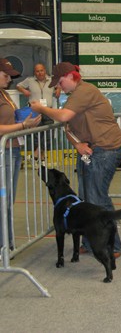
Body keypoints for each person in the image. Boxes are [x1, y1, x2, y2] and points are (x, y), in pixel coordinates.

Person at [30, 62, 121, 258]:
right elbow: (68, 129)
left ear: (70, 76)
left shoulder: (85, 91)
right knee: (86, 199)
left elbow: (64, 117)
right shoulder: (75, 96)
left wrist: (41, 109)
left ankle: (111, 245)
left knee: (97, 198)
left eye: (60, 82)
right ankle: (91, 242)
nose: (59, 87)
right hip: (90, 150)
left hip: (105, 149)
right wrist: (78, 145)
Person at [0, 58, 41, 252]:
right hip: (4, 151)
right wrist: (23, 126)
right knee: (3, 200)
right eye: (5, 75)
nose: (9, 79)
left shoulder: (4, 94)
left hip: (12, 149)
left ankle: (6, 243)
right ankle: (3, 245)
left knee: (7, 201)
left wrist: (25, 118)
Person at [16, 63, 61, 163]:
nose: (40, 73)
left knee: (48, 133)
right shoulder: (30, 80)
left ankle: (36, 155)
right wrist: (24, 91)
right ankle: (41, 157)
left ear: (45, 70)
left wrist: (58, 89)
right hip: (35, 111)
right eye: (37, 71)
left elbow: (60, 84)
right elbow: (18, 85)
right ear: (34, 73)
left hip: (48, 110)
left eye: (41, 70)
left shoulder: (51, 80)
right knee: (36, 135)